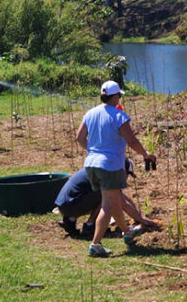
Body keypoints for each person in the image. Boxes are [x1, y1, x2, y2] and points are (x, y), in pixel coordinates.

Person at [75, 80, 156, 257]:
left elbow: (79, 138)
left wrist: (94, 150)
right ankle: (95, 244)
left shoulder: (90, 113)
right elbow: (132, 141)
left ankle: (127, 232)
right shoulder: (119, 116)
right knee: (107, 206)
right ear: (116, 96)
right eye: (119, 95)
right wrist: (146, 155)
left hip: (91, 165)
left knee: (113, 201)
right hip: (109, 166)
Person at [55, 158, 158, 237]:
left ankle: (70, 220)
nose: (126, 178)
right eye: (127, 174)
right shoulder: (109, 176)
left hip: (65, 204)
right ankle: (90, 226)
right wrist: (141, 219)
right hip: (71, 204)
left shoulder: (103, 169)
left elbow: (125, 199)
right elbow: (123, 204)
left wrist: (137, 215)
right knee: (106, 195)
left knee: (105, 194)